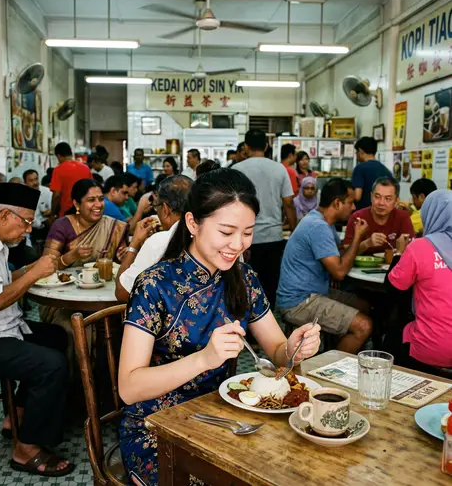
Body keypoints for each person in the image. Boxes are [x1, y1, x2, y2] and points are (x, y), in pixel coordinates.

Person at [118, 168, 321, 486]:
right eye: (226, 232)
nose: (237, 244)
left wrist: (295, 347)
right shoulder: (154, 284)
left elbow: (278, 355)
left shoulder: (244, 277)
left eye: (247, 232)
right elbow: (129, 388)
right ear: (192, 223)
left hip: (224, 415)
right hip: (156, 425)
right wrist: (203, 359)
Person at [0, 182, 73, 477]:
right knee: (52, 365)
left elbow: (5, 282)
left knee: (57, 337)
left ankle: (16, 416)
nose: (29, 229)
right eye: (27, 222)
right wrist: (34, 273)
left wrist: (41, 268)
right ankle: (26, 449)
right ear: (5, 215)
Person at [277, 178, 372, 354]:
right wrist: (358, 237)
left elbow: (337, 255)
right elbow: (339, 272)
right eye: (350, 203)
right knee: (363, 326)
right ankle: (328, 370)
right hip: (299, 301)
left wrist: (364, 244)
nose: (353, 208)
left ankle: (335, 349)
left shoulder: (321, 221)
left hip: (313, 292)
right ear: (337, 203)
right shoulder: (318, 227)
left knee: (364, 306)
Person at [387, 190, 452, 369]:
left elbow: (393, 287)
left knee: (392, 332)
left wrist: (399, 253)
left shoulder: (420, 247)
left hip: (431, 348)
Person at [233, 129, 296, 309]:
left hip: (244, 240)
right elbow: (289, 203)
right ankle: (267, 329)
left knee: (243, 285)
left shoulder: (237, 170)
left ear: (245, 147)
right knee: (269, 286)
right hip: (273, 238)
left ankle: (245, 327)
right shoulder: (279, 169)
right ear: (266, 146)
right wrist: (294, 231)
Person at [116, 175, 193, 302]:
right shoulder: (209, 233)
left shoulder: (160, 241)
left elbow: (122, 292)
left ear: (166, 209)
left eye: (157, 208)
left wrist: (134, 243)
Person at [44, 179, 128, 270]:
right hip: (66, 282)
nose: (99, 204)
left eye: (101, 199)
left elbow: (120, 263)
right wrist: (72, 256)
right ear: (77, 204)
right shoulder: (62, 226)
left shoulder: (114, 227)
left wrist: (123, 258)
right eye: (91, 200)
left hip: (104, 282)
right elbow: (46, 265)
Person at [343, 177, 415, 255]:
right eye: (377, 197)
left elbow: (413, 250)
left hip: (394, 266)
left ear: (396, 201)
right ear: (371, 197)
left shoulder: (402, 217)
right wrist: (367, 243)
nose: (381, 203)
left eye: (388, 198)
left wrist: (402, 248)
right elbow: (346, 252)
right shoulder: (358, 217)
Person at [50, 142, 93, 217]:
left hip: (67, 212)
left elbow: (57, 195)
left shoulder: (58, 170)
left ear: (58, 156)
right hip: (85, 211)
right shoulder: (85, 168)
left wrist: (52, 213)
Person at [351, 137, 392, 209]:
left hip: (363, 213)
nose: (356, 155)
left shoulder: (360, 168)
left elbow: (357, 196)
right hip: (381, 212)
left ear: (361, 151)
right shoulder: (386, 170)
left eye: (356, 152)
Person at [23, 169, 53, 244]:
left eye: (36, 179)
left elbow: (52, 209)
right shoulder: (23, 196)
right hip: (32, 227)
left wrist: (50, 211)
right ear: (25, 183)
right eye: (31, 180)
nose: (35, 183)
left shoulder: (46, 192)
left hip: (48, 225)